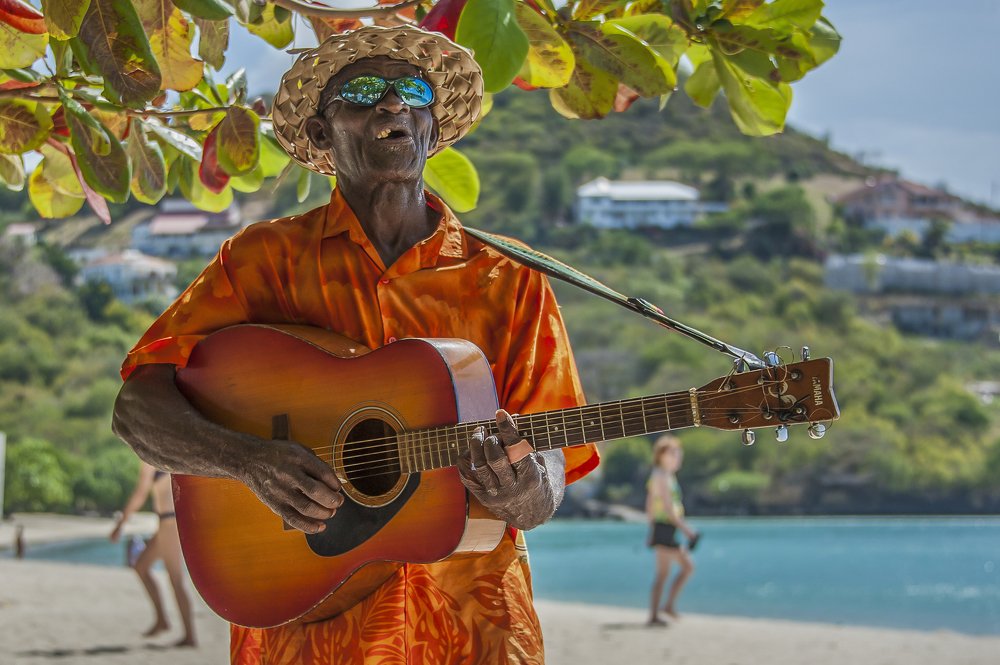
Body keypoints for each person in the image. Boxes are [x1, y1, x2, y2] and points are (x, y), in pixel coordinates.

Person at [111, 25, 598, 665]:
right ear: (320, 134)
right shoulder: (262, 262)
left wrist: (522, 492)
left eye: (412, 91)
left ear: (433, 128)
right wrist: (249, 462)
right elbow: (138, 408)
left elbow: (550, 464)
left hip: (473, 629)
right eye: (365, 91)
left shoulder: (509, 278)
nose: (392, 105)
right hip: (305, 631)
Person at [110, 461, 197, 647]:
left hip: (169, 522)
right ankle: (162, 620)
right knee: (141, 566)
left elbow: (140, 494)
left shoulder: (152, 458)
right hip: (167, 522)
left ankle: (190, 636)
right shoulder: (168, 453)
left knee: (175, 579)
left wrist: (120, 524)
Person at [646, 434, 699, 626]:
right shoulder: (660, 475)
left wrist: (651, 529)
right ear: (661, 455)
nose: (677, 457)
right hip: (665, 527)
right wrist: (687, 530)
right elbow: (667, 509)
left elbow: (650, 505)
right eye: (673, 453)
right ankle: (665, 607)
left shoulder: (665, 475)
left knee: (663, 573)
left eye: (678, 454)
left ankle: (658, 612)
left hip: (663, 527)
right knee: (687, 566)